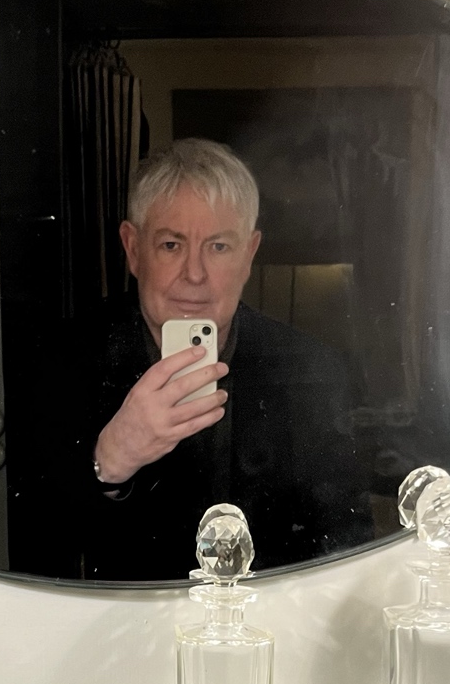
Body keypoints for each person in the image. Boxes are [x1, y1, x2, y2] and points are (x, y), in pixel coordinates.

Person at [84, 139, 366, 581]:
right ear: (133, 249)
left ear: (248, 255)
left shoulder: (312, 371)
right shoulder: (67, 360)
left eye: (218, 247)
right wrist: (110, 460)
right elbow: (35, 548)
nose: (194, 274)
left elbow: (346, 550)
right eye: (171, 245)